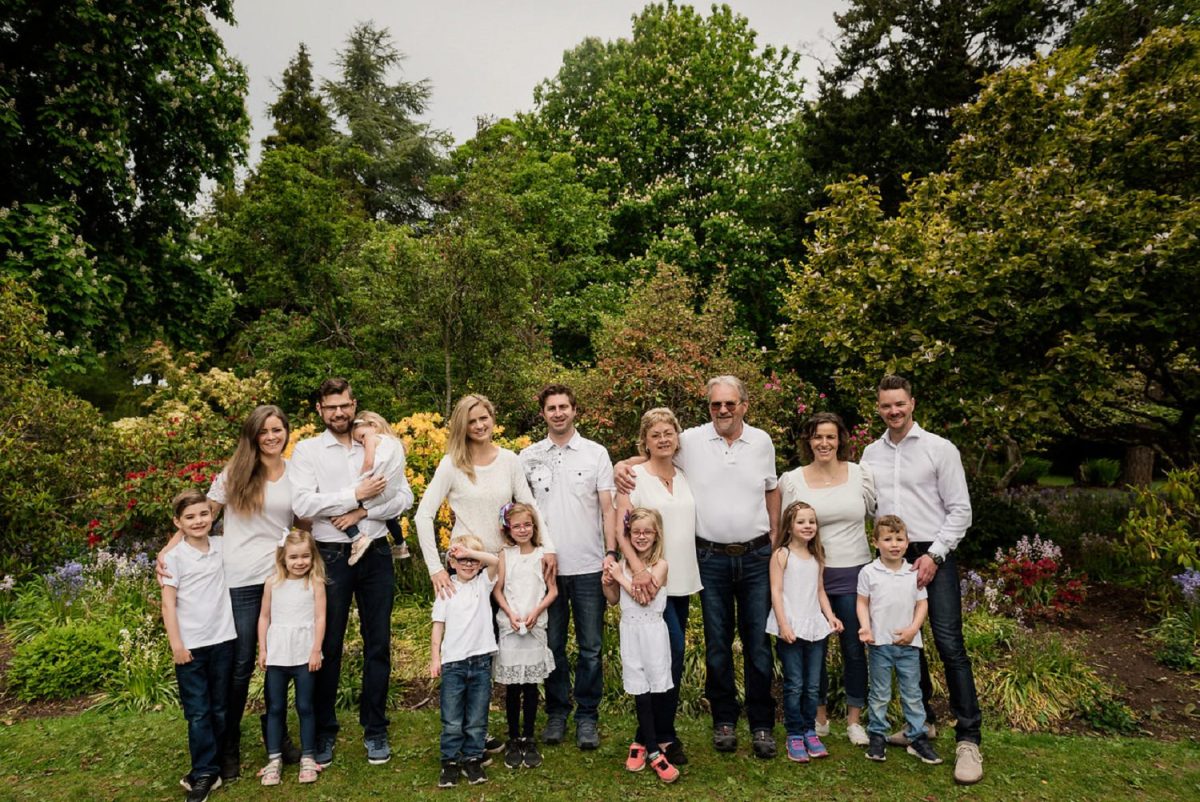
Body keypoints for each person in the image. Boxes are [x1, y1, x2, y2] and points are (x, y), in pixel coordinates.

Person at [616, 375, 780, 758]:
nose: (723, 410)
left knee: (758, 645)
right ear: (709, 407)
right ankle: (723, 720)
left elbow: (772, 488)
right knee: (717, 646)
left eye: (730, 403)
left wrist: (774, 534)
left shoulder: (762, 442)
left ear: (744, 405)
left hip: (756, 556)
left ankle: (760, 724)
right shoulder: (692, 439)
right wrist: (621, 464)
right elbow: (656, 451)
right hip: (711, 560)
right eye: (715, 404)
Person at [158, 405, 301, 781]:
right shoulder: (233, 474)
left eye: (278, 429)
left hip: (279, 578)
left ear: (286, 432)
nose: (272, 437)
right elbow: (202, 515)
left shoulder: (296, 473)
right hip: (240, 579)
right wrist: (167, 551)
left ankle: (278, 736)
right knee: (240, 666)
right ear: (253, 436)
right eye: (264, 431)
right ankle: (229, 746)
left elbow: (303, 521)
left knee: (282, 659)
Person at [860, 374, 982, 784]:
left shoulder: (939, 449)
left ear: (912, 402)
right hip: (892, 554)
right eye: (885, 406)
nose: (893, 411)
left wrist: (934, 554)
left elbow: (960, 510)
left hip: (935, 553)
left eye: (900, 403)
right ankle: (923, 723)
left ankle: (969, 739)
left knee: (948, 643)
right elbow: (865, 505)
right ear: (878, 408)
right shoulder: (870, 454)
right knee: (906, 637)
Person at [290, 379, 414, 768]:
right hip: (331, 555)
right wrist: (354, 495)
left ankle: (375, 727)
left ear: (354, 403)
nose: (339, 413)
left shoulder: (375, 441)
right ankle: (324, 730)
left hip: (376, 552)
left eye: (345, 405)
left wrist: (363, 511)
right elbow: (303, 502)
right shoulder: (308, 451)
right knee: (328, 644)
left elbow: (405, 496)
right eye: (331, 408)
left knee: (378, 642)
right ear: (319, 410)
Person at [520, 384, 615, 751]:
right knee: (553, 645)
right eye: (551, 408)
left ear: (575, 411)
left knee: (591, 647)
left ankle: (587, 715)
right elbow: (522, 513)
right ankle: (558, 712)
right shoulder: (528, 457)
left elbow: (608, 509)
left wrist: (611, 554)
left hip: (590, 566)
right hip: (546, 569)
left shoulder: (595, 454)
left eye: (564, 407)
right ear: (542, 413)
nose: (558, 413)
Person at [778, 412, 875, 746]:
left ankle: (854, 720)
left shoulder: (860, 475)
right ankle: (819, 718)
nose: (824, 443)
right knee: (812, 647)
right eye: (817, 436)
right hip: (808, 576)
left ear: (840, 440)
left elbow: (879, 515)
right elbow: (783, 526)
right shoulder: (793, 480)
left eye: (830, 437)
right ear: (808, 441)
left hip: (855, 572)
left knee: (853, 648)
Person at [614, 407, 700, 765]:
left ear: (677, 437)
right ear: (645, 441)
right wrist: (638, 571)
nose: (663, 439)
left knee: (672, 659)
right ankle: (657, 736)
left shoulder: (685, 474)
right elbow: (621, 530)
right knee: (655, 657)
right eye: (655, 435)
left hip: (681, 579)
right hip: (648, 583)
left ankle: (657, 733)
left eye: (669, 432)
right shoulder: (633, 477)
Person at [416, 393, 556, 598]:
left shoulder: (509, 460)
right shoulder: (452, 464)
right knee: (469, 629)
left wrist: (548, 547)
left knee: (510, 627)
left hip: (504, 562)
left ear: (492, 418)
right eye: (471, 421)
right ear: (462, 426)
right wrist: (435, 569)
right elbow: (423, 515)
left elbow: (529, 506)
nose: (479, 425)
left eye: (483, 418)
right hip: (467, 566)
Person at [161, 489, 236, 802]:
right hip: (191, 647)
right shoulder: (174, 559)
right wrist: (176, 644)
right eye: (190, 517)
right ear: (178, 522)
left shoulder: (222, 546)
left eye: (204, 514)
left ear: (212, 516)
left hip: (224, 640)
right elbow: (168, 604)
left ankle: (213, 766)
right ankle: (204, 773)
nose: (198, 521)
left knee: (219, 708)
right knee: (198, 712)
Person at [856, 515, 942, 766]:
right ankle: (877, 736)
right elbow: (862, 602)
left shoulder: (912, 572)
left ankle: (916, 738)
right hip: (879, 644)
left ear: (907, 543)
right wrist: (865, 628)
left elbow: (921, 604)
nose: (894, 544)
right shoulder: (869, 572)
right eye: (887, 539)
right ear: (875, 542)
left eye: (899, 539)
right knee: (880, 693)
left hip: (908, 645)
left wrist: (913, 629)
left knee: (912, 694)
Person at [602, 508, 679, 784]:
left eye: (647, 531)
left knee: (656, 688)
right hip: (630, 631)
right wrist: (608, 581)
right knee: (640, 688)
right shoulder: (621, 565)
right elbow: (613, 599)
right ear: (628, 535)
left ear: (656, 533)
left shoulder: (661, 565)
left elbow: (644, 597)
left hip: (654, 632)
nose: (642, 536)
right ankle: (653, 750)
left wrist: (620, 578)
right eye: (636, 532)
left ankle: (643, 744)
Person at [767, 501, 842, 764]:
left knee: (812, 685)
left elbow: (820, 590)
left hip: (814, 627)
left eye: (811, 521)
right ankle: (794, 733)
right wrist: (783, 623)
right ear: (790, 526)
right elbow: (776, 591)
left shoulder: (816, 555)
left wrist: (830, 617)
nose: (808, 526)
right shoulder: (782, 555)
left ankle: (810, 730)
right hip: (791, 626)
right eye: (801, 521)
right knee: (794, 683)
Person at [256, 529, 327, 787]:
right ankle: (274, 759)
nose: (300, 562)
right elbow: (264, 617)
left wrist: (316, 649)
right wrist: (263, 649)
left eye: (305, 556)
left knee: (305, 706)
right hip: (277, 654)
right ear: (283, 558)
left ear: (312, 557)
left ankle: (308, 756)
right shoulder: (272, 583)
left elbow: (320, 617)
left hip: (304, 654)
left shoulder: (315, 583)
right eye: (294, 557)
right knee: (275, 707)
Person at [430, 536, 500, 788]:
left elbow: (495, 561)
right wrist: (435, 657)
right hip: (453, 664)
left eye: (473, 560)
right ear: (452, 561)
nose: (469, 564)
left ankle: (472, 758)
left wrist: (469, 551)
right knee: (452, 719)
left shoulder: (483, 584)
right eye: (463, 560)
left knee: (477, 717)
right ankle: (449, 761)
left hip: (480, 662)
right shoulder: (445, 588)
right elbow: (438, 626)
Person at [492, 502, 557, 769]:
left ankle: (529, 736)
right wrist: (509, 613)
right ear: (508, 528)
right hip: (511, 625)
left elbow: (552, 591)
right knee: (512, 687)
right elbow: (498, 590)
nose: (522, 530)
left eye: (527, 525)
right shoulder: (505, 554)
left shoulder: (543, 554)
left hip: (534, 625)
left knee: (530, 685)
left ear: (534, 526)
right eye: (517, 525)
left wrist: (535, 612)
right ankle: (513, 737)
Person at [346, 412, 407, 567]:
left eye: (361, 437)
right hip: (385, 494)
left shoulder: (372, 440)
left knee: (336, 506)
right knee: (389, 518)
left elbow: (405, 500)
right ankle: (400, 544)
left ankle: (357, 538)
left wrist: (360, 484)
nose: (361, 442)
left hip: (377, 547)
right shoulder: (394, 446)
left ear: (373, 426)